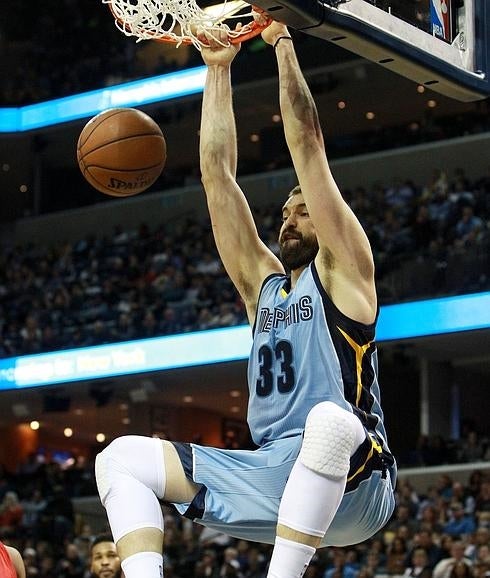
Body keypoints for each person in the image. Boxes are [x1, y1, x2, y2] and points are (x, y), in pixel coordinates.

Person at [94, 14, 397, 578]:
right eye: (284, 210)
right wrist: (218, 70)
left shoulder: (347, 273)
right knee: (119, 459)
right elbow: (217, 175)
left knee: (329, 422)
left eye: (302, 208)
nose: (289, 215)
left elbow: (307, 144)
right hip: (273, 478)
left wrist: (282, 41)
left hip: (357, 478)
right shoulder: (265, 291)